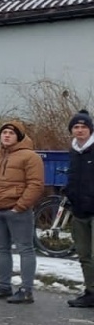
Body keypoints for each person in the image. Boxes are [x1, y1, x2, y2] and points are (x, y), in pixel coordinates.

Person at [0, 119, 45, 305]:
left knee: (25, 249)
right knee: (1, 249)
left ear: (19, 137)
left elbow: (36, 185)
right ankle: (4, 286)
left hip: (17, 211)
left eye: (11, 133)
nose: (6, 135)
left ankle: (26, 290)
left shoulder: (30, 157)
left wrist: (19, 206)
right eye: (4, 132)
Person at [65, 110, 94, 308]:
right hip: (79, 211)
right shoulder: (74, 151)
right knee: (84, 254)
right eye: (76, 127)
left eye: (84, 127)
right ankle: (90, 291)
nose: (80, 130)